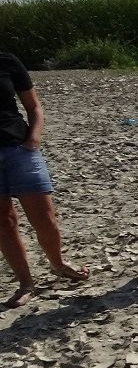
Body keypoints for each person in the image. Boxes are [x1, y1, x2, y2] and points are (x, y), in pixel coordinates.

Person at [0, 51, 89, 309]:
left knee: (45, 218)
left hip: (19, 148)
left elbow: (33, 106)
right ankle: (25, 283)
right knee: (4, 223)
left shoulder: (7, 61)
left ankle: (58, 264)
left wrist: (34, 139)